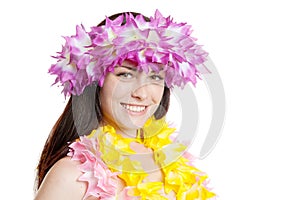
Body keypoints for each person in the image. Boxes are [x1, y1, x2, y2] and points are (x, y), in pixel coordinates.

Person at [34, 9, 217, 200]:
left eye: (155, 76)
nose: (141, 93)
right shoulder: (72, 175)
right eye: (125, 74)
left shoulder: (176, 164)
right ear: (94, 82)